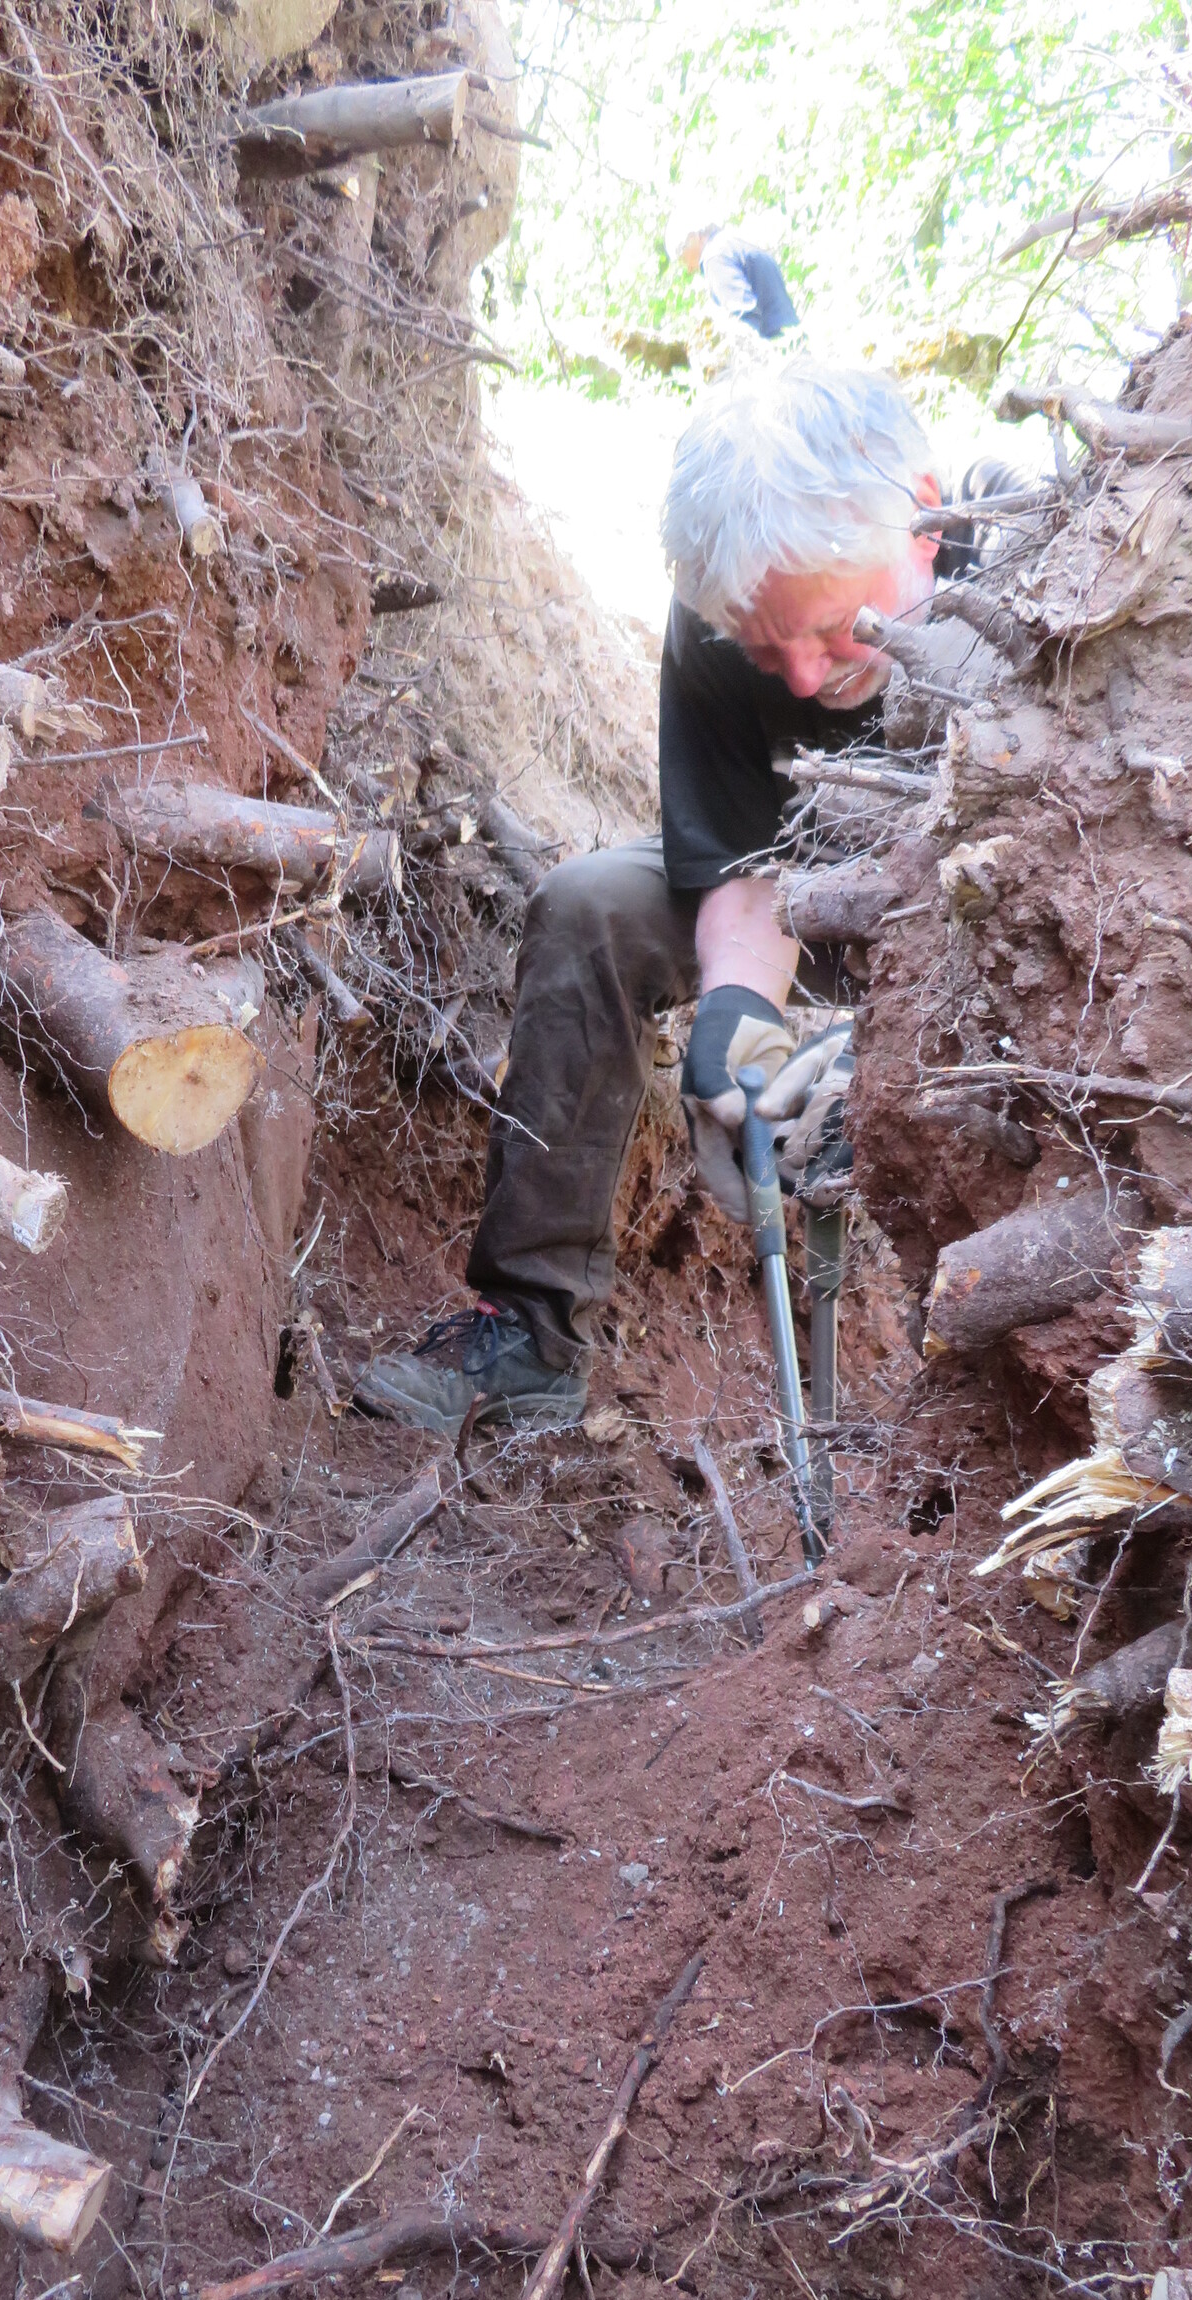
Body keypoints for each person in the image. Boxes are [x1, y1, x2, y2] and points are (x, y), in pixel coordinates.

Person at [359, 361, 947, 1438]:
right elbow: (744, 862)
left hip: (975, 927)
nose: (802, 679)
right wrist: (737, 1021)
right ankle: (530, 1337)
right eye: (767, 648)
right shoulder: (724, 619)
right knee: (592, 906)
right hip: (812, 894)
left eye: (835, 630)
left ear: (925, 516)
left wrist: (884, 1048)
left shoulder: (1036, 579)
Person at [675, 215, 801, 345]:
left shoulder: (713, 259)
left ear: (693, 238)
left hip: (777, 344)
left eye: (683, 259)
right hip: (793, 338)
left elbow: (743, 315)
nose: (688, 269)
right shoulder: (731, 241)